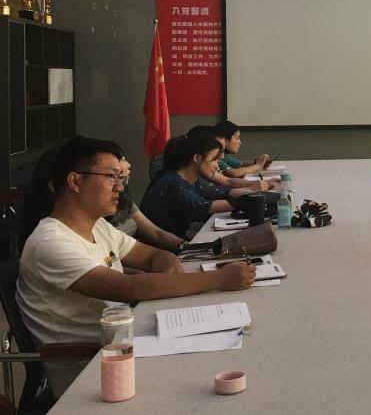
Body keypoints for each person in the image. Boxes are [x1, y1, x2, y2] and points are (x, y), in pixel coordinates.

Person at [16, 137, 256, 397]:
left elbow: (155, 256)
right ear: (75, 182)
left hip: (127, 342)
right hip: (92, 374)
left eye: (120, 178)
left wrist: (169, 270)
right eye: (111, 177)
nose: (120, 187)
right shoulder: (50, 242)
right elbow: (129, 287)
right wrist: (220, 279)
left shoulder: (98, 225)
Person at [140, 132, 241, 238]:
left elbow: (217, 192)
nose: (217, 166)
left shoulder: (192, 180)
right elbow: (199, 207)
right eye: (214, 160)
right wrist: (242, 203)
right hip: (159, 245)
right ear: (197, 158)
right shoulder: (173, 183)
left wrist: (248, 194)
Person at [105, 155, 184, 252]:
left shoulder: (123, 199)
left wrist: (187, 246)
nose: (129, 164)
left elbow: (156, 233)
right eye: (124, 160)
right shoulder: (173, 183)